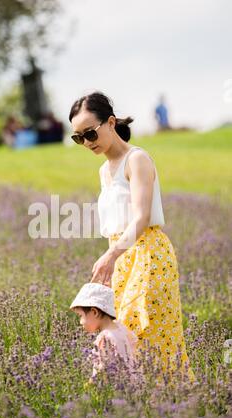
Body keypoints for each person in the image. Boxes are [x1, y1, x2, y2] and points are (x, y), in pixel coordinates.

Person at [69, 91, 195, 383]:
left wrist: (112, 256)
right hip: (122, 258)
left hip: (149, 254)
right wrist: (111, 259)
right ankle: (140, 409)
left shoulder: (136, 160)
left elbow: (140, 218)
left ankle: (176, 403)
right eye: (79, 138)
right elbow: (116, 224)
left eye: (90, 133)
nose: (87, 142)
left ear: (110, 122)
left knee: (151, 333)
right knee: (121, 336)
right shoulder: (104, 170)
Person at [70, 282, 139, 384]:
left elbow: (101, 369)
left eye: (80, 316)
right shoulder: (120, 328)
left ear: (94, 312)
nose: (80, 322)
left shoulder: (105, 337)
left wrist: (90, 385)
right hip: (131, 384)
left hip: (115, 387)